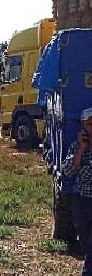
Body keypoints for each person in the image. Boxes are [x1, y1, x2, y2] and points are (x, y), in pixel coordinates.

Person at [63, 107, 92, 275]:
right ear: (83, 126)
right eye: (90, 124)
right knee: (85, 241)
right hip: (81, 202)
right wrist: (81, 149)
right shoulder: (76, 146)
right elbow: (68, 170)